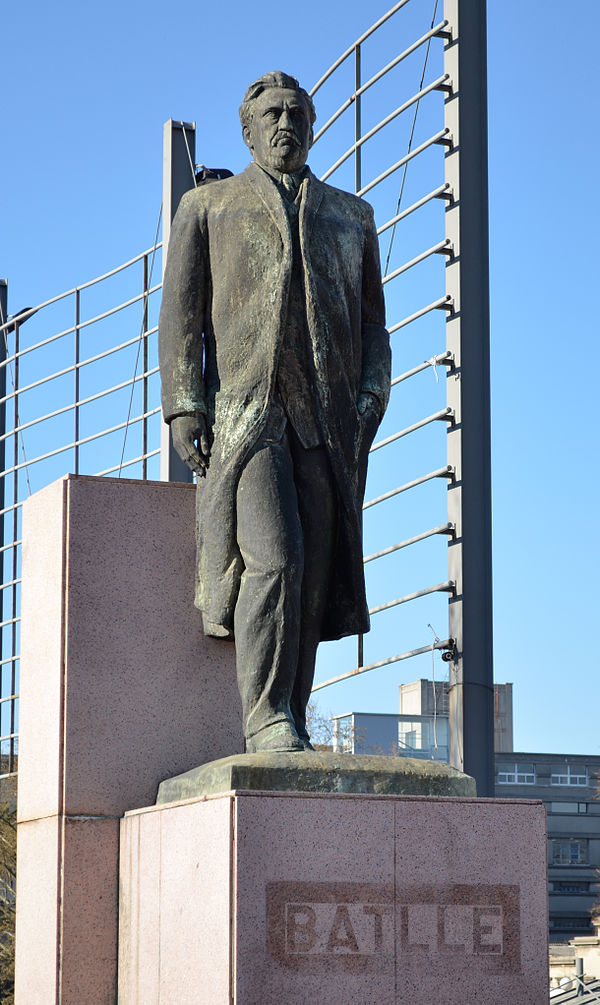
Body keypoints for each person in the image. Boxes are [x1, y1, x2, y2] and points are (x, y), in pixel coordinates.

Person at [159, 71, 390, 753]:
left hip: (327, 424)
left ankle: (292, 709)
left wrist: (371, 399)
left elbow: (375, 330)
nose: (284, 123)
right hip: (247, 419)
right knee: (278, 556)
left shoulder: (352, 217)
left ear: (312, 125)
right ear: (248, 130)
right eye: (271, 114)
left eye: (296, 113)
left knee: (315, 579)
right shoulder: (208, 207)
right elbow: (180, 316)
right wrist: (183, 405)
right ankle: (265, 718)